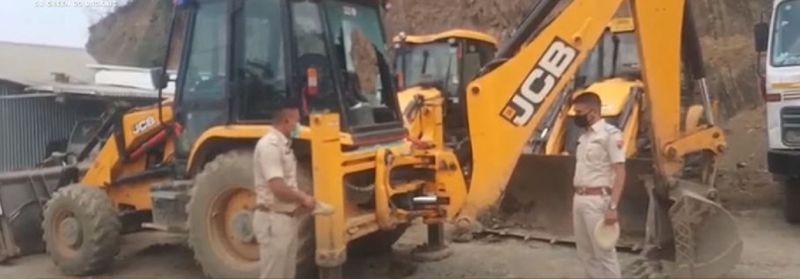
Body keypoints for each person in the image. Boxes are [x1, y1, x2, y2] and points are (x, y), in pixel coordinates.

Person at [252, 104, 317, 279]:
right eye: (297, 121)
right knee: (274, 274)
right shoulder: (270, 146)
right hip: (273, 220)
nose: (299, 126)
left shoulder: (284, 145)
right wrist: (303, 198)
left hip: (286, 219)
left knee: (287, 274)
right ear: (287, 121)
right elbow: (278, 187)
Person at [571, 92, 626, 278]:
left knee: (604, 252)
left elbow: (620, 173)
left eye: (579, 112)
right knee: (585, 253)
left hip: (597, 200)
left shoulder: (610, 135)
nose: (576, 116)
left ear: (593, 112)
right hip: (579, 198)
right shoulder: (584, 137)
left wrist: (613, 207)